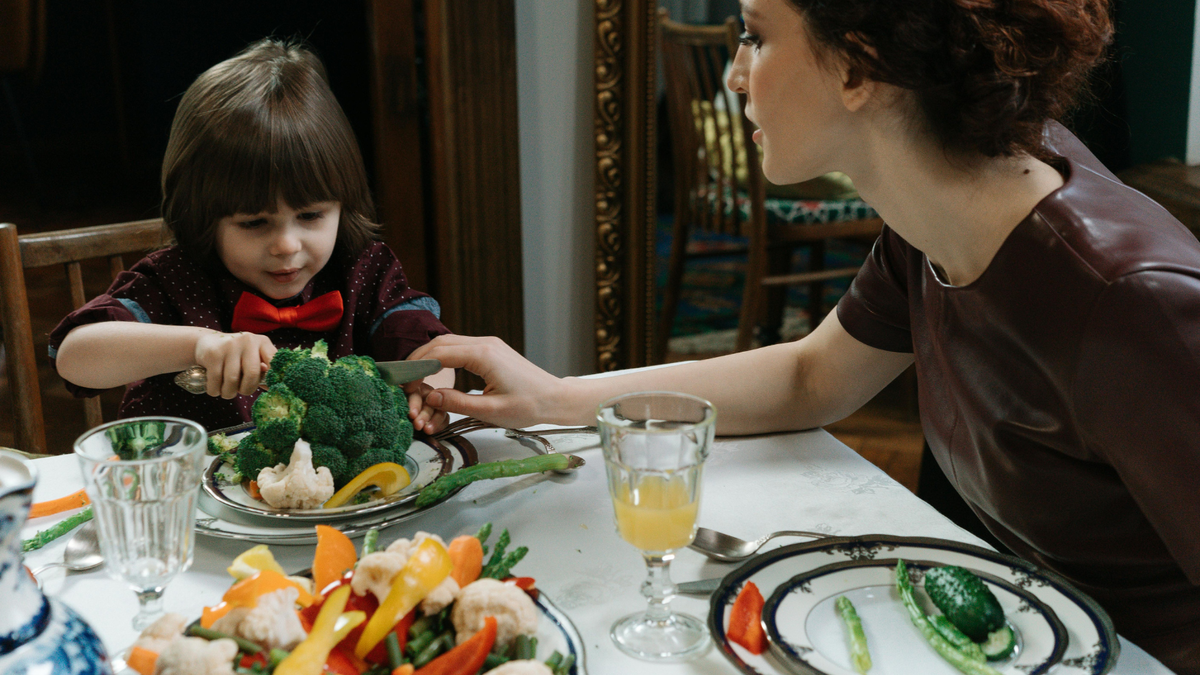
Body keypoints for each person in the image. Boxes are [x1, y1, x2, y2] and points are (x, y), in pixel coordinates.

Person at [406, 0, 1200, 670]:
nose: (734, 71)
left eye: (754, 34)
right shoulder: (942, 208)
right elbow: (813, 377)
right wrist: (555, 395)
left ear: (857, 67)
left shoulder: (1131, 305)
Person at [51, 38, 454, 434]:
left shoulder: (362, 269)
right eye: (254, 223)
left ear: (343, 204)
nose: (286, 245)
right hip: (186, 493)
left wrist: (428, 393)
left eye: (310, 215)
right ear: (202, 218)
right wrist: (199, 345)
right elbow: (74, 356)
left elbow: (434, 354)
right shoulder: (174, 280)